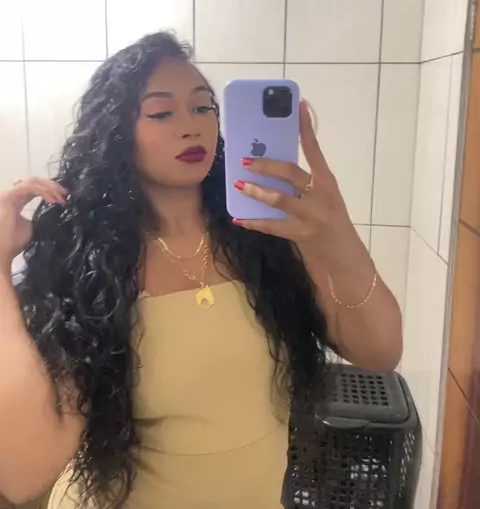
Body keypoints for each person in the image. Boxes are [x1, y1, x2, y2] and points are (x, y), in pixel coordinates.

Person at [0, 32, 402, 509]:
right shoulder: (89, 264)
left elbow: (379, 351)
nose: (191, 127)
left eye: (203, 107)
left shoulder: (270, 236)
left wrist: (339, 238)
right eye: (162, 113)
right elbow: (23, 475)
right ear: (116, 131)